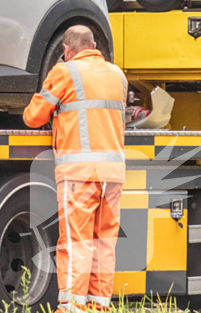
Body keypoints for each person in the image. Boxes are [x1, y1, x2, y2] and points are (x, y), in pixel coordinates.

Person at [24, 25, 128, 312]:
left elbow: (33, 117)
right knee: (104, 243)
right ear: (94, 46)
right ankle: (98, 307)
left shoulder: (65, 72)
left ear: (67, 50)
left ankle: (71, 308)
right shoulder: (118, 75)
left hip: (80, 174)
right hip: (113, 175)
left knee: (76, 243)